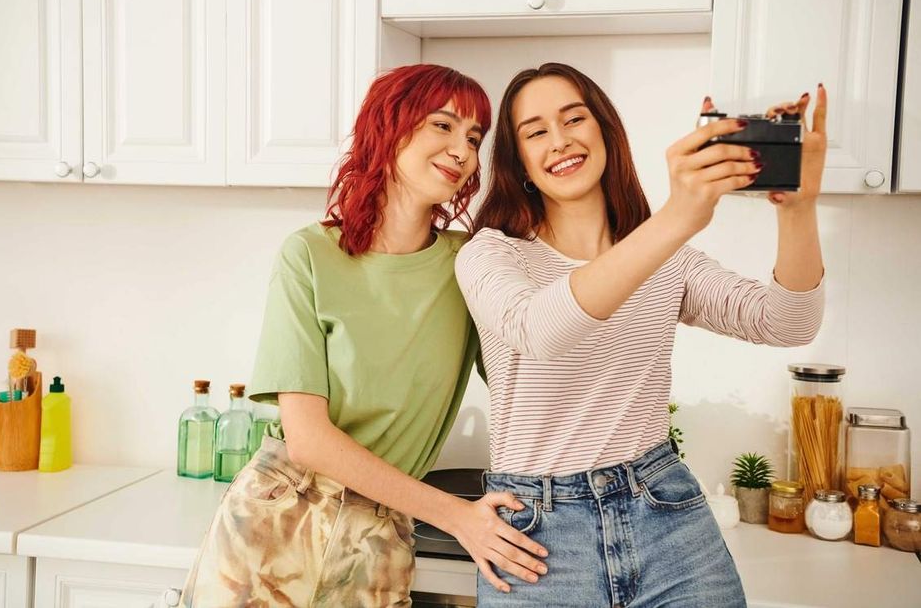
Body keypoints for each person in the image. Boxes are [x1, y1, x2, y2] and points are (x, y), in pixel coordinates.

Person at [455, 62, 826, 607]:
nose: (560, 141)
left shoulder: (666, 260)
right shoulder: (491, 254)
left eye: (574, 119)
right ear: (522, 164)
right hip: (536, 539)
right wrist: (678, 216)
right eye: (535, 132)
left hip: (666, 516)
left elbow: (788, 321)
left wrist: (799, 208)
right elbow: (542, 330)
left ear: (606, 132)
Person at [178, 64, 547, 608]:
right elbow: (308, 438)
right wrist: (455, 516)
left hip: (380, 529)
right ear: (389, 128)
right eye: (442, 126)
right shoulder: (308, 254)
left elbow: (527, 382)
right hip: (277, 515)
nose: (463, 151)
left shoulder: (470, 262)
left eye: (474, 137)